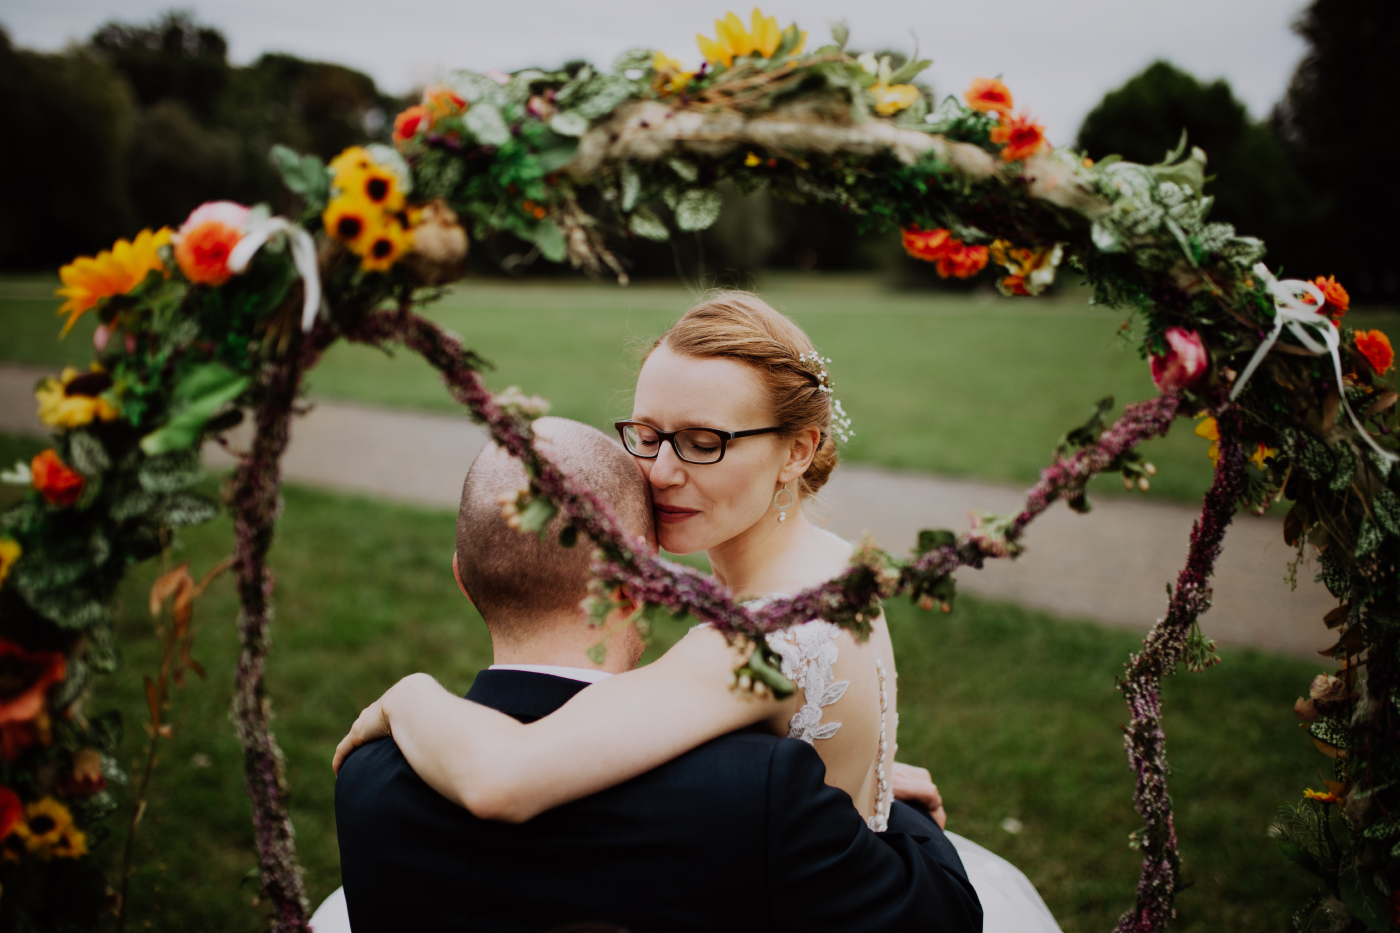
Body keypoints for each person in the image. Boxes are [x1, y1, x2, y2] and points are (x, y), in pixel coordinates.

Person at [337, 292, 1061, 931]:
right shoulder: (832, 568)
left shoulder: (754, 640)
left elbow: (505, 776)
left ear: (797, 450)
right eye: (648, 434)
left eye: (703, 442)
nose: (659, 472)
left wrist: (408, 698)